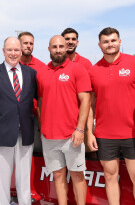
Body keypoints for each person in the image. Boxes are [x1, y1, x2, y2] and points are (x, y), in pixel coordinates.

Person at [87, 27, 135, 205]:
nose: (110, 44)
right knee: (109, 176)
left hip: (133, 133)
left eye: (113, 40)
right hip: (105, 134)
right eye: (105, 42)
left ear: (120, 41)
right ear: (100, 45)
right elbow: (90, 104)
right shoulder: (93, 70)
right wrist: (90, 132)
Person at [37, 35, 91, 205]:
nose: (58, 49)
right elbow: (40, 101)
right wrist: (42, 127)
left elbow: (86, 101)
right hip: (49, 137)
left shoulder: (77, 70)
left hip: (72, 136)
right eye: (55, 47)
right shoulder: (41, 73)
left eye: (61, 46)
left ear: (66, 48)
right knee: (58, 175)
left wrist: (80, 129)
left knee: (77, 175)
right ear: (49, 49)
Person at [0, 37, 37, 205]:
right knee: (2, 178)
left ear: (21, 52)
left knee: (24, 177)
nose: (13, 54)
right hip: (3, 133)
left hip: (26, 132)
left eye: (16, 50)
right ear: (3, 51)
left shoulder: (31, 74)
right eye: (9, 50)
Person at [18, 31, 47, 202]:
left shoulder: (41, 67)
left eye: (31, 43)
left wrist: (42, 120)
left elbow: (43, 95)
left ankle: (35, 190)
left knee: (35, 154)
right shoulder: (10, 66)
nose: (28, 46)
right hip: (14, 119)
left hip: (34, 117)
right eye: (25, 43)